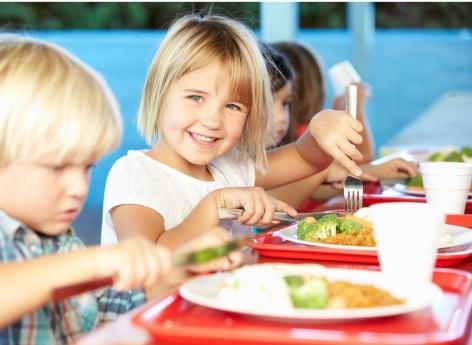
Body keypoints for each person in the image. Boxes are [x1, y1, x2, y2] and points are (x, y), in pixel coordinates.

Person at [101, 13, 365, 249]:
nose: (213, 120)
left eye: (232, 106)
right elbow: (148, 260)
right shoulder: (135, 174)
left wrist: (320, 128)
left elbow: (307, 158)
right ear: (158, 95)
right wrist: (215, 205)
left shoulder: (230, 167)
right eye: (195, 97)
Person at [0, 33, 186, 344]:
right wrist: (96, 262)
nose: (77, 187)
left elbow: (95, 316)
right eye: (56, 167)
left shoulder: (58, 239)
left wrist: (173, 272)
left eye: (87, 167)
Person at [263, 43, 418, 209]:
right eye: (265, 103)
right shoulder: (242, 164)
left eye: (286, 103)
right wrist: (352, 107)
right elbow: (277, 200)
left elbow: (311, 187)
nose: (280, 117)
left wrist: (373, 172)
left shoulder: (264, 158)